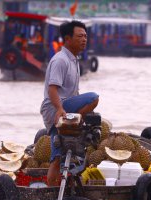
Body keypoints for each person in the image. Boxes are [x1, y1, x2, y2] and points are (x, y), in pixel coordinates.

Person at [40, 20, 99, 186]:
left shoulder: (74, 60)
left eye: (86, 36)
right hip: (55, 108)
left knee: (56, 158)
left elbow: (74, 93)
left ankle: (52, 193)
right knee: (94, 97)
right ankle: (74, 122)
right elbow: (52, 89)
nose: (84, 39)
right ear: (67, 39)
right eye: (80, 36)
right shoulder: (60, 60)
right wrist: (60, 109)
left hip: (63, 107)